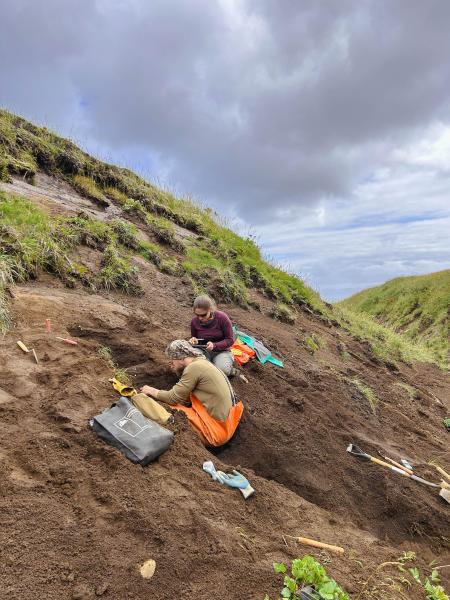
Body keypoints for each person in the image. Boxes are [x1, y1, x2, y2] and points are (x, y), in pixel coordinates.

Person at [136, 340, 244, 447]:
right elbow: (185, 398)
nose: (171, 365)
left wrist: (152, 391)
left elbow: (172, 398)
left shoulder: (194, 368)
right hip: (227, 427)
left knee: (158, 405)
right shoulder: (203, 362)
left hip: (213, 432)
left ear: (181, 358)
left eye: (172, 360)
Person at [189, 294, 235, 376]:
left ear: (210, 309)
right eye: (197, 315)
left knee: (222, 371)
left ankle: (231, 370)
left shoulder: (222, 318)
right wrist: (194, 341)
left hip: (222, 351)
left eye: (203, 315)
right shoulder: (194, 322)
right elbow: (196, 340)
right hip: (203, 351)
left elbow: (230, 340)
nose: (200, 318)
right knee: (196, 367)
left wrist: (214, 345)